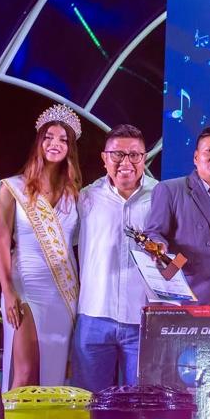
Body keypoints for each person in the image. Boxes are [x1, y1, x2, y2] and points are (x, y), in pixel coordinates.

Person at [0, 105, 82, 390]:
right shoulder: (13, 187)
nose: (55, 144)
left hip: (63, 292)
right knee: (25, 371)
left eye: (63, 140)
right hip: (25, 286)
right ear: (39, 142)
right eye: (49, 137)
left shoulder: (75, 194)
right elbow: (1, 241)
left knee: (55, 373)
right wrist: (8, 291)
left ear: (70, 148)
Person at [71, 123, 156, 392]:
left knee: (141, 405)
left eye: (134, 155)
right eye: (117, 154)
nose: (125, 163)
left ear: (144, 158)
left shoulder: (161, 197)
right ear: (104, 158)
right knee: (90, 403)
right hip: (94, 314)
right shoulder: (85, 198)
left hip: (143, 318)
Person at [143, 125, 210, 305]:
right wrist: (158, 245)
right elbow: (154, 232)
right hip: (186, 293)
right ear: (196, 157)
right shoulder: (169, 190)